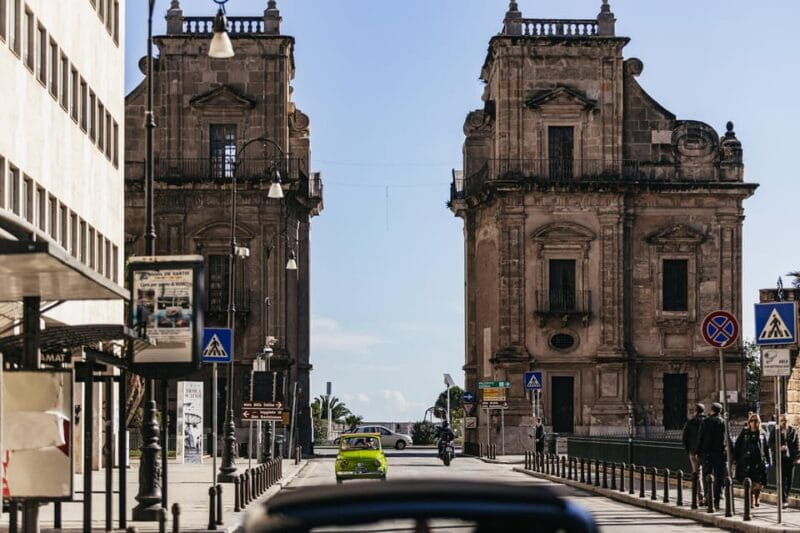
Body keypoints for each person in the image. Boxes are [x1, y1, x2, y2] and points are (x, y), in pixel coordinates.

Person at [696, 402, 732, 510]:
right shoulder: (724, 422)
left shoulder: (705, 422)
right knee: (719, 477)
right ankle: (716, 501)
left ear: (712, 410)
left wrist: (698, 452)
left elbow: (700, 438)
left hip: (707, 453)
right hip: (720, 453)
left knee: (707, 475)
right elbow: (728, 438)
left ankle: (708, 497)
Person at [733, 413, 771, 507]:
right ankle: (751, 499)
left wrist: (769, 460)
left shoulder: (762, 433)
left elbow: (766, 448)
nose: (753, 423)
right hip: (747, 461)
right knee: (748, 482)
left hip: (759, 461)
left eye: (755, 421)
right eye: (751, 421)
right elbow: (737, 445)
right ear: (749, 422)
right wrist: (735, 459)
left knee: (759, 482)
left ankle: (757, 498)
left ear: (759, 422)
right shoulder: (745, 432)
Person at [770, 414, 800, 508]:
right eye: (782, 420)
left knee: (789, 479)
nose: (784, 422)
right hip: (780, 458)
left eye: (786, 420)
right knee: (782, 479)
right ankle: (783, 499)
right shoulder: (776, 430)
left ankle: (786, 495)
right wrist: (778, 447)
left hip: (790, 458)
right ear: (779, 421)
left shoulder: (793, 430)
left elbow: (797, 444)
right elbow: (770, 443)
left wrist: (798, 457)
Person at [681, 403, 706, 505]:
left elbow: (684, 438)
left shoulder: (690, 422)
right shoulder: (707, 421)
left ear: (695, 411)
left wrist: (689, 450)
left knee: (696, 474)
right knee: (707, 473)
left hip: (693, 452)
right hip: (705, 452)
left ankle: (699, 497)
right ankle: (708, 497)